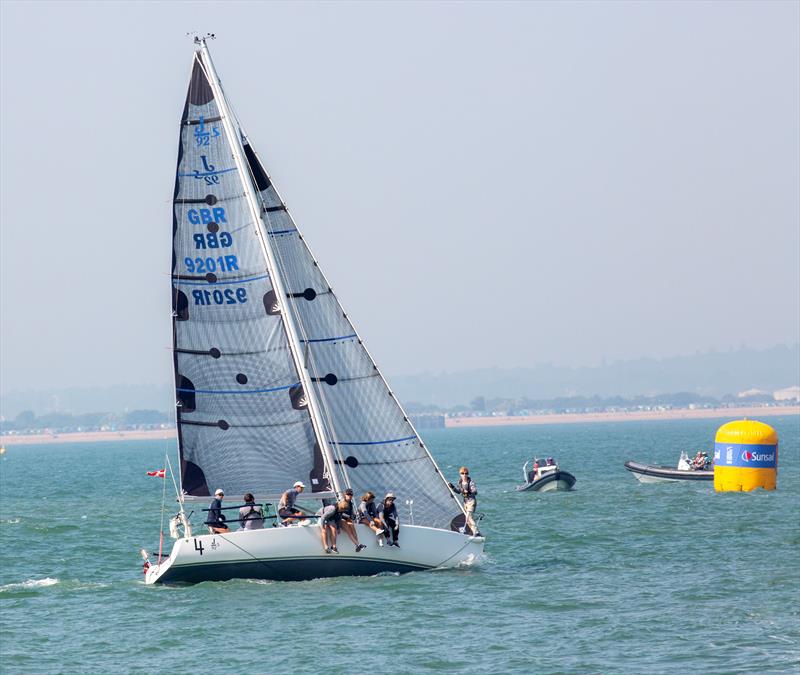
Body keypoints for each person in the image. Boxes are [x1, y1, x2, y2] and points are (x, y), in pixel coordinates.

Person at [450, 466, 479, 536]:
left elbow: (475, 492)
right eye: (462, 473)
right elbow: (459, 492)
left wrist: (468, 492)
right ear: (460, 474)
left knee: (468, 517)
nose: (464, 475)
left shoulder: (471, 482)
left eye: (466, 473)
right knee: (468, 519)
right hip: (465, 502)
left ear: (468, 474)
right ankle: (473, 532)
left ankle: (476, 532)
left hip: (471, 501)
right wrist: (452, 487)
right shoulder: (460, 482)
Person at [340, 488, 366, 552]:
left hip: (347, 519)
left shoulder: (351, 503)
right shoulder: (341, 502)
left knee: (352, 527)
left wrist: (353, 515)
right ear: (345, 495)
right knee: (349, 531)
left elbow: (351, 513)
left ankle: (357, 545)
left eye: (351, 494)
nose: (350, 496)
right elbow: (339, 514)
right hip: (340, 519)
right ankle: (358, 544)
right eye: (348, 494)